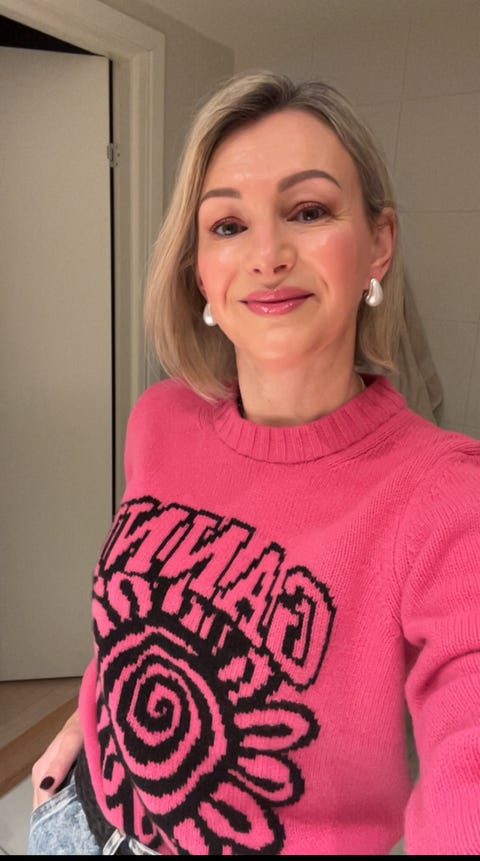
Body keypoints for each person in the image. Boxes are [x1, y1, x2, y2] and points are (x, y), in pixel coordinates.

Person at [28, 71, 480, 856]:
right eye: (229, 225)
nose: (268, 255)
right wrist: (83, 720)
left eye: (308, 212)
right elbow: (139, 608)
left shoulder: (444, 495)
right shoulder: (160, 420)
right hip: (77, 821)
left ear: (378, 243)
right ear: (200, 269)